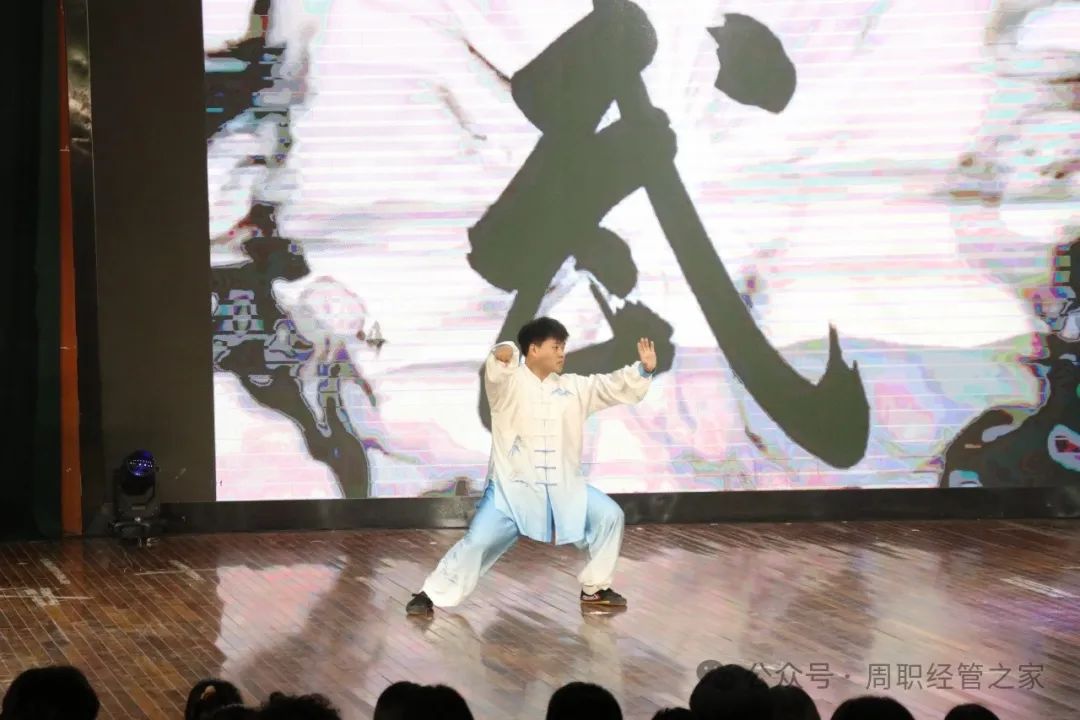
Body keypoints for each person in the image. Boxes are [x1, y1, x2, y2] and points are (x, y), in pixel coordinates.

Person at [406, 317, 657, 614]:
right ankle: (430, 594)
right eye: (556, 347)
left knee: (610, 516)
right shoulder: (508, 387)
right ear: (534, 350)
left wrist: (643, 370)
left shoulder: (574, 388)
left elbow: (610, 385)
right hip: (512, 492)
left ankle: (595, 589)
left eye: (563, 347)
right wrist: (504, 353)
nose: (562, 353)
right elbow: (499, 367)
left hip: (564, 490)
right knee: (477, 542)